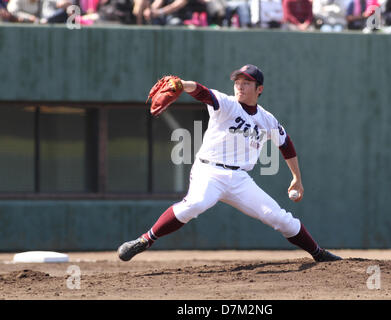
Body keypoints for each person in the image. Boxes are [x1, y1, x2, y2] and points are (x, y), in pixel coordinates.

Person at [118, 64, 343, 263]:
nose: (240, 86)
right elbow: (203, 92)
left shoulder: (267, 119)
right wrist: (182, 84)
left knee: (279, 217)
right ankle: (144, 240)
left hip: (240, 180)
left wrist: (297, 178)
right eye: (237, 82)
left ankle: (318, 253)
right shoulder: (227, 104)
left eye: (247, 83)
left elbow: (286, 144)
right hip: (209, 171)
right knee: (195, 204)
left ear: (259, 89)